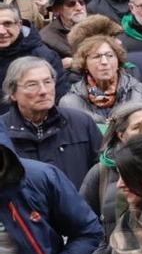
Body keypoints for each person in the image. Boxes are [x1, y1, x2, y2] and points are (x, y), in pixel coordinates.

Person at [5, 56, 101, 189]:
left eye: (48, 82)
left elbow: (103, 176)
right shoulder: (3, 131)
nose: (43, 91)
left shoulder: (81, 123)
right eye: (32, 85)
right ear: (13, 93)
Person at [62, 30, 142, 127]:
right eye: (96, 57)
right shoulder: (70, 102)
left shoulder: (141, 93)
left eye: (110, 56)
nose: (104, 62)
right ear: (85, 64)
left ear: (118, 61)